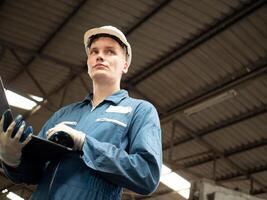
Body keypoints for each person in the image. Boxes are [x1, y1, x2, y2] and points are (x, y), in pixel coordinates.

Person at [0, 25, 162, 200]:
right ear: (88, 63)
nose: (99, 56)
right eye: (94, 52)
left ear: (125, 65)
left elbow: (147, 175)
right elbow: (34, 174)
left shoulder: (140, 110)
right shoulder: (63, 114)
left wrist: (85, 143)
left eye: (110, 52)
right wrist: (12, 158)